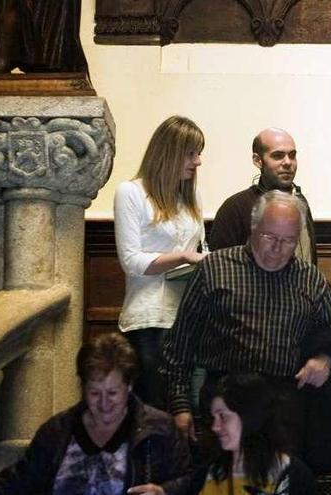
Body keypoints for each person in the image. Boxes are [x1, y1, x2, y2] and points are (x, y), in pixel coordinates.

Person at [161, 190, 331, 464]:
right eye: (269, 237)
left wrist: (326, 360)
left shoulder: (311, 281)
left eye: (288, 241)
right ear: (253, 227)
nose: (278, 248)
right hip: (225, 404)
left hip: (284, 408)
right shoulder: (215, 269)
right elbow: (179, 346)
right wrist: (179, 406)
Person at [0, 333, 191, 494]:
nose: (104, 403)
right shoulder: (57, 432)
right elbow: (17, 482)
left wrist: (165, 491)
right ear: (83, 387)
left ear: (129, 386)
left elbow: (189, 479)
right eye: (94, 393)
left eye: (112, 393)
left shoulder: (160, 429)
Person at [114, 115, 207, 410]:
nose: (198, 161)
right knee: (154, 412)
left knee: (188, 412)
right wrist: (183, 257)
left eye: (199, 153)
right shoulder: (131, 192)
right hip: (148, 320)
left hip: (188, 320)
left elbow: (200, 247)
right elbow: (131, 261)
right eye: (191, 153)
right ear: (169, 153)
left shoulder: (192, 198)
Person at [209, 128, 317, 264]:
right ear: (257, 160)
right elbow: (217, 267)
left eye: (292, 155)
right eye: (278, 156)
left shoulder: (300, 202)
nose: (288, 162)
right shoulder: (235, 208)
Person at [195, 374, 315, 495]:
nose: (215, 427)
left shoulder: (294, 475)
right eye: (213, 417)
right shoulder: (205, 474)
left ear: (249, 417)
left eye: (223, 416)